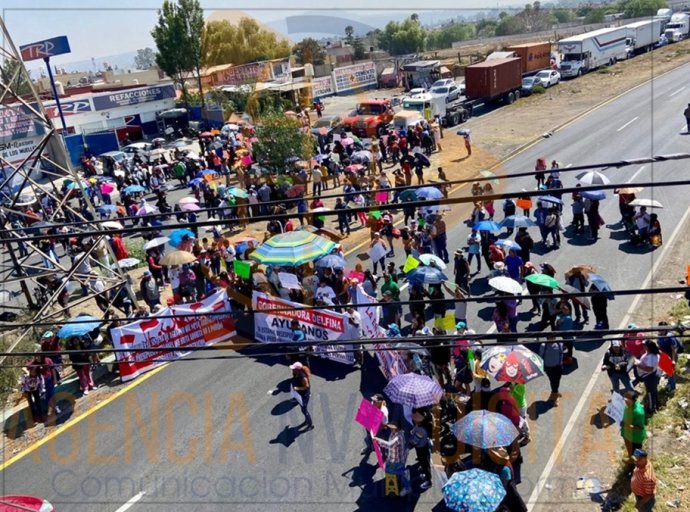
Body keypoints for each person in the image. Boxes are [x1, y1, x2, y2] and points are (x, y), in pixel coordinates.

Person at [375, 420, 411, 496]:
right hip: (394, 458)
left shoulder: (398, 437)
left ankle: (406, 481)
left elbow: (390, 445)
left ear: (396, 428)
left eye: (392, 427)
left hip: (397, 461)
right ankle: (402, 473)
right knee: (387, 469)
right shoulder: (397, 432)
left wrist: (379, 440)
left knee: (388, 471)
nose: (390, 429)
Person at [634, 340, 660, 413]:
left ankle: (652, 408)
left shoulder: (651, 357)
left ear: (648, 347)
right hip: (651, 375)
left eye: (644, 345)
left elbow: (649, 369)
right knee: (654, 390)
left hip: (650, 377)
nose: (643, 346)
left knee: (650, 393)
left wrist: (638, 365)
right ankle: (656, 403)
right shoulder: (649, 354)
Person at [621, 390, 647, 462]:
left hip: (635, 437)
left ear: (634, 400)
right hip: (627, 434)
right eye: (625, 400)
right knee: (630, 451)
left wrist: (627, 426)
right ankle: (630, 460)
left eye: (628, 401)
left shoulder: (638, 412)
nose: (626, 402)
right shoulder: (628, 406)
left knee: (636, 455)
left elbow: (640, 428)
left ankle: (634, 469)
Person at [657, 322, 681, 393]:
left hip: (671, 357)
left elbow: (674, 349)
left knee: (671, 373)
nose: (660, 331)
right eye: (659, 329)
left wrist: (673, 360)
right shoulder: (660, 336)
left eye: (662, 329)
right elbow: (660, 346)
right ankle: (670, 383)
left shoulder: (669, 336)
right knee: (669, 372)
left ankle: (673, 388)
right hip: (665, 357)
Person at [539, 337, 564, 405]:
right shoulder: (543, 346)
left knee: (557, 380)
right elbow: (541, 356)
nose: (552, 339)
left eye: (553, 337)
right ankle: (555, 397)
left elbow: (561, 354)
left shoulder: (560, 344)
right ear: (547, 338)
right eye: (550, 337)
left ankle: (555, 392)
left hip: (558, 367)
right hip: (549, 368)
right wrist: (542, 367)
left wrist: (560, 364)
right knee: (553, 381)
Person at [290, 361, 313, 430]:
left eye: (294, 368)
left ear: (297, 369)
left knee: (304, 410)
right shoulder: (296, 373)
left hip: (304, 396)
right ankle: (306, 421)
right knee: (303, 409)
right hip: (299, 395)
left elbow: (306, 386)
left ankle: (310, 425)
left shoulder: (302, 377)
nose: (292, 369)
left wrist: (297, 388)